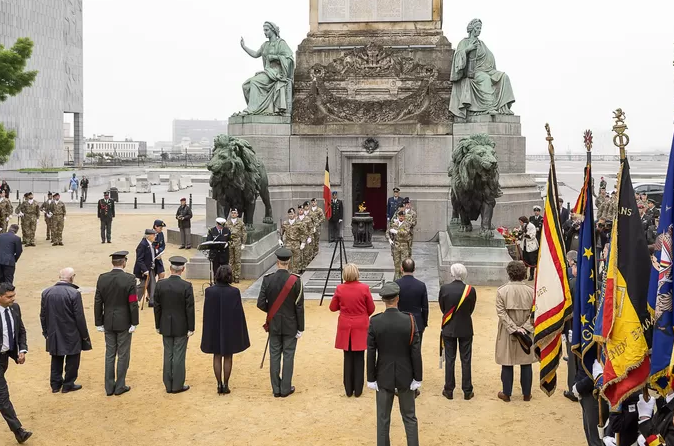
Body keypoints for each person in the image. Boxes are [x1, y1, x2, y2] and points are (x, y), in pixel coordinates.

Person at [367, 281, 422, 446]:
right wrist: (417, 377)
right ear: (397, 299)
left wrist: (371, 378)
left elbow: (371, 352)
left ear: (383, 300)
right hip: (406, 374)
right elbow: (415, 352)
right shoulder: (410, 321)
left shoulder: (375, 321)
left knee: (383, 418)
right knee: (409, 417)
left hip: (383, 375)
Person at [257, 247, 304, 398]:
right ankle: (285, 388)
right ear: (288, 262)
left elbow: (260, 303)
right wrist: (301, 328)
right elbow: (299, 307)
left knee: (275, 355)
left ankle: (276, 388)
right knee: (289, 356)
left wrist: (272, 313)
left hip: (274, 324)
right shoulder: (296, 281)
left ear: (277, 262)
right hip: (291, 325)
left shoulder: (268, 279)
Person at [449, 18, 515, 118]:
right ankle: (489, 107)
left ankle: (503, 107)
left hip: (487, 70)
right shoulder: (464, 42)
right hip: (474, 71)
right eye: (477, 28)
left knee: (504, 76)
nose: (479, 30)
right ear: (472, 29)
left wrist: (491, 69)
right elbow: (457, 57)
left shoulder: (482, 43)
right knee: (485, 78)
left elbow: (489, 58)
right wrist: (468, 49)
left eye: (480, 28)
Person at [94, 251, 139, 396]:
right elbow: (133, 302)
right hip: (124, 320)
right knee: (123, 354)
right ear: (124, 262)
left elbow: (98, 302)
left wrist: (98, 322)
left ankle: (109, 387)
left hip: (108, 320)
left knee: (110, 354)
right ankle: (120, 385)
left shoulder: (102, 278)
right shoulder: (130, 279)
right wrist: (134, 321)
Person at [40, 267, 91, 393]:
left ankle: (55, 385)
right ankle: (68, 384)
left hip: (54, 332)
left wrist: (45, 331)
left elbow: (43, 315)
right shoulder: (74, 293)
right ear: (72, 277)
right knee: (73, 358)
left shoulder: (46, 292)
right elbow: (79, 317)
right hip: (71, 332)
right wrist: (84, 335)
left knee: (56, 358)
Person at [201, 265, 250, 395]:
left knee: (216, 355)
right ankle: (226, 384)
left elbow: (207, 312)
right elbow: (238, 312)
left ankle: (218, 384)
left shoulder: (209, 291)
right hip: (229, 328)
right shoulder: (234, 292)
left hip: (214, 327)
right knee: (228, 356)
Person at [329, 263, 375, 398]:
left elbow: (332, 307)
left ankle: (348, 389)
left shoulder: (340, 288)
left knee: (347, 357)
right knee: (359, 357)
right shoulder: (364, 288)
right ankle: (358, 389)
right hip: (361, 324)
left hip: (345, 323)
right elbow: (371, 308)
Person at [153, 256, 195, 394]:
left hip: (165, 323)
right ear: (182, 270)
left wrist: (158, 324)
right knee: (179, 355)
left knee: (168, 354)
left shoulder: (160, 284)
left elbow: (157, 307)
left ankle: (168, 383)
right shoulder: (186, 286)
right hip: (181, 325)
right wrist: (191, 327)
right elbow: (190, 308)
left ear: (170, 269)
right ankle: (177, 384)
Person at [495, 261, 536, 402]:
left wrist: (514, 329)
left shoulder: (502, 291)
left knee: (507, 362)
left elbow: (501, 313)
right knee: (526, 363)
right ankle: (526, 394)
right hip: (527, 332)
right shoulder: (532, 291)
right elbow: (535, 313)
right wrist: (524, 328)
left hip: (508, 332)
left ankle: (506, 393)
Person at [438, 263, 477, 400]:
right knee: (466, 360)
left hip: (449, 327)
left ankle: (449, 390)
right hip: (466, 327)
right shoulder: (470, 290)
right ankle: (467, 390)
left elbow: (442, 308)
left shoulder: (444, 289)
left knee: (450, 359)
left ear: (452, 274)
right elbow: (471, 309)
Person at [239, 21, 294, 115]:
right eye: (264, 30)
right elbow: (256, 54)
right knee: (246, 85)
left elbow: (290, 59)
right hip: (268, 72)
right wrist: (244, 47)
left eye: (266, 30)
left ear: (273, 30)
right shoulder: (265, 45)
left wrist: (276, 57)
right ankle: (256, 108)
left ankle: (251, 109)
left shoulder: (281, 43)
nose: (264, 32)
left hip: (277, 73)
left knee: (254, 82)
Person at [0, 282, 31, 444]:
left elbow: (21, 331)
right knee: (2, 397)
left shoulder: (15, 308)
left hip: (4, 358)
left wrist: (22, 350)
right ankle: (18, 431)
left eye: (14, 295)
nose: (13, 299)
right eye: (9, 296)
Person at [395, 259, 428, 345]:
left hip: (400, 322)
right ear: (414, 269)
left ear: (402, 269)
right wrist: (424, 323)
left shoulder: (396, 284)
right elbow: (425, 307)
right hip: (417, 322)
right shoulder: (421, 285)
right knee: (416, 351)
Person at [134, 229, 157, 307]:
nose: (155, 237)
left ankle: (152, 300)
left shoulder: (150, 244)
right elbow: (139, 259)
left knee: (153, 284)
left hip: (151, 268)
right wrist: (145, 270)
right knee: (142, 286)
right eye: (154, 235)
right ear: (149, 236)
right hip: (144, 270)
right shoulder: (142, 244)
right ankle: (132, 300)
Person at [388, 210, 412, 280]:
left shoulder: (407, 224)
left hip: (404, 246)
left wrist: (397, 231)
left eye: (402, 216)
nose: (401, 217)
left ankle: (403, 279)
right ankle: (396, 279)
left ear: (404, 217)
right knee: (396, 263)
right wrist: (389, 239)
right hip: (396, 245)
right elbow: (388, 231)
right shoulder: (395, 224)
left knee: (403, 264)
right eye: (400, 216)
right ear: (398, 216)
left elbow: (405, 233)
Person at [280, 208, 306, 274]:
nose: (290, 215)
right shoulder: (285, 223)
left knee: (296, 260)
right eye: (289, 214)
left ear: (294, 214)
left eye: (292, 214)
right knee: (288, 260)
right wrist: (280, 240)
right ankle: (289, 273)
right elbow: (281, 233)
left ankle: (295, 273)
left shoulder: (299, 223)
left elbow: (304, 233)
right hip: (288, 244)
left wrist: (303, 242)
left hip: (296, 243)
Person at [226, 208, 247, 283]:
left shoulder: (240, 223)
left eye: (235, 213)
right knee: (231, 260)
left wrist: (243, 243)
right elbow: (225, 233)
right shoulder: (227, 223)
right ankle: (230, 276)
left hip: (237, 242)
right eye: (232, 213)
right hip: (230, 242)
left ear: (237, 214)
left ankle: (237, 276)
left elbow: (244, 233)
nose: (233, 214)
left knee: (237, 260)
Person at [518, 216, 539, 281]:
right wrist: (518, 234)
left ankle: (531, 275)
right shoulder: (522, 226)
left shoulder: (531, 226)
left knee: (532, 261)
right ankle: (525, 274)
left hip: (531, 246)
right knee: (525, 261)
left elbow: (532, 236)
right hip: (524, 245)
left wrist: (524, 234)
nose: (520, 223)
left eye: (521, 222)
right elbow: (520, 234)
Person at [296, 204, 313, 273]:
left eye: (302, 209)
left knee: (306, 254)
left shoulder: (307, 219)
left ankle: (305, 267)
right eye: (299, 209)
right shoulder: (296, 219)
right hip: (298, 239)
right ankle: (299, 267)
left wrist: (310, 237)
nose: (300, 211)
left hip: (305, 238)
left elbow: (311, 228)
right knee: (299, 254)